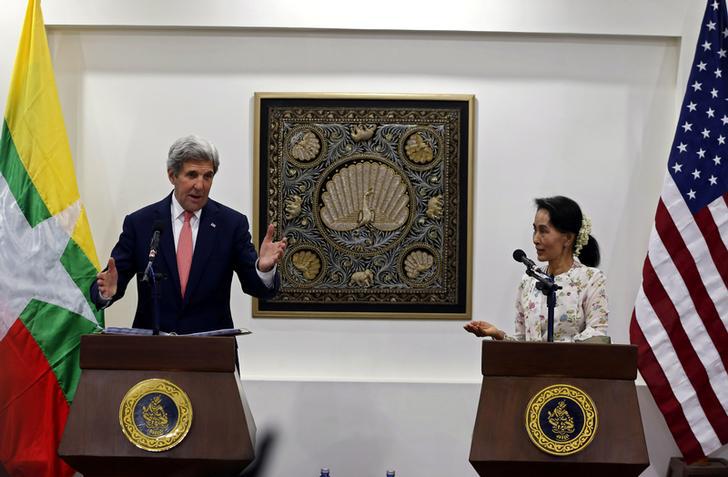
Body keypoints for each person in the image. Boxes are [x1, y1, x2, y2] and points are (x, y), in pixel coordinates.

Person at [90, 135, 287, 334]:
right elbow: (110, 282)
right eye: (192, 175)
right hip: (152, 353)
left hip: (210, 354)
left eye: (207, 176)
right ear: (172, 176)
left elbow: (257, 288)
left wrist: (263, 270)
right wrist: (106, 292)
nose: (200, 186)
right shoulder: (140, 223)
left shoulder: (231, 224)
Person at [464, 196, 608, 342]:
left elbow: (596, 334)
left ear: (568, 238)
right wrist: (498, 334)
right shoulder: (528, 281)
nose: (535, 239)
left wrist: (555, 355)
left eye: (543, 231)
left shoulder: (591, 278)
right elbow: (523, 342)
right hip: (531, 365)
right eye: (535, 230)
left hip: (573, 364)